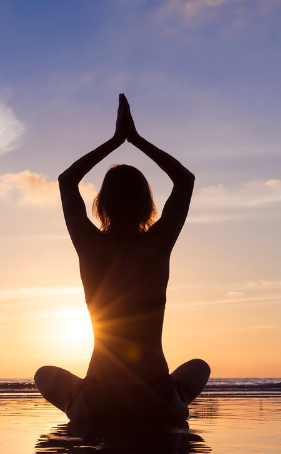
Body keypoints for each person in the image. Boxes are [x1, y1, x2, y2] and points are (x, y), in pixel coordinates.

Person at [34, 94, 210, 422]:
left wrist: (115, 141)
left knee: (44, 373)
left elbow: (66, 180)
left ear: (101, 205)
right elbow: (185, 180)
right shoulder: (158, 243)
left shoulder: (89, 244)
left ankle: (78, 400)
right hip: (156, 400)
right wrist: (137, 140)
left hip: (100, 400)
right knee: (199, 367)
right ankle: (177, 399)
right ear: (147, 205)